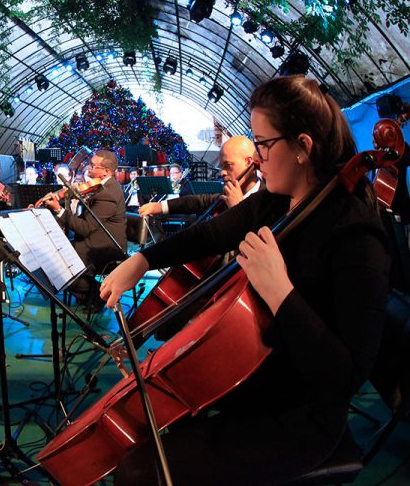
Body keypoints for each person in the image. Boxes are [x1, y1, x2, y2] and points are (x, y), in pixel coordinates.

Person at [100, 75, 390, 484]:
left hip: (298, 418)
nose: (257, 158)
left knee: (138, 474)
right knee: (150, 429)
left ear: (303, 147)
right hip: (255, 383)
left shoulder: (357, 235)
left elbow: (344, 376)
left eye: (264, 145)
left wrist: (280, 293)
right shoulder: (275, 201)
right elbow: (210, 234)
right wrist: (143, 260)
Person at [43, 149, 126, 305]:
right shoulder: (102, 186)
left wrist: (59, 210)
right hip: (95, 238)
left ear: (106, 171)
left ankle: (98, 294)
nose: (89, 167)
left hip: (105, 247)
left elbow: (86, 228)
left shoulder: (109, 193)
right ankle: (85, 296)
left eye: (93, 166)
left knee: (57, 266)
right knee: (58, 256)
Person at [139, 135, 260, 217]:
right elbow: (193, 201)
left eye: (228, 165)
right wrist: (159, 207)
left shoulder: (270, 203)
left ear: (249, 162)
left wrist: (237, 211)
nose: (222, 172)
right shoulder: (224, 198)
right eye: (222, 166)